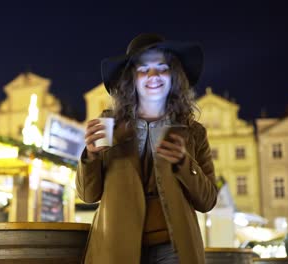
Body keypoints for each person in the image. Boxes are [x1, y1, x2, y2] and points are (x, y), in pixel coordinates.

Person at [76, 33, 218, 264]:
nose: (153, 76)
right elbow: (88, 195)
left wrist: (184, 163)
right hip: (116, 247)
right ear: (131, 78)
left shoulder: (193, 132)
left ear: (174, 76)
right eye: (143, 69)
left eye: (162, 68)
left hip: (174, 250)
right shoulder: (108, 124)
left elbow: (208, 200)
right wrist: (90, 156)